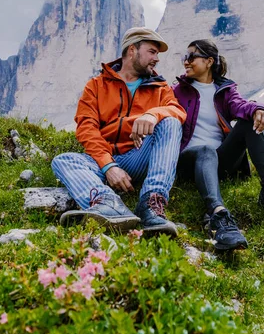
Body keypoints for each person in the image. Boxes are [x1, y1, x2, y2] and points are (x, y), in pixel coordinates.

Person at [53, 28, 186, 236]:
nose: (156, 59)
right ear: (132, 50)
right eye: (152, 52)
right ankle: (109, 204)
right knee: (63, 160)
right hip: (102, 160)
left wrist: (153, 114)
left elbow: (177, 111)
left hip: (137, 155)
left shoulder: (160, 87)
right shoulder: (96, 86)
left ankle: (151, 203)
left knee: (170, 123)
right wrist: (108, 166)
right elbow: (86, 128)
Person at [173, 39, 264, 251]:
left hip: (220, 161)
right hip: (189, 162)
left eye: (191, 56)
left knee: (248, 122)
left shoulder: (224, 89)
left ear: (208, 61)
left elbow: (239, 105)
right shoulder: (178, 90)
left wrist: (258, 109)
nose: (185, 62)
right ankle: (217, 214)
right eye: (184, 57)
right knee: (205, 150)